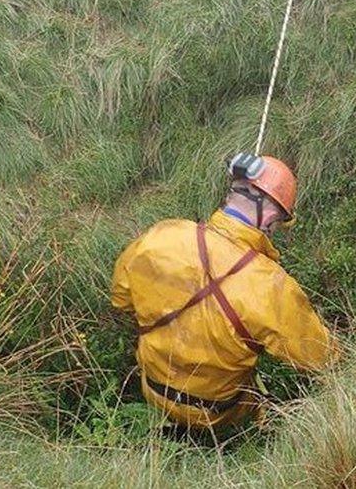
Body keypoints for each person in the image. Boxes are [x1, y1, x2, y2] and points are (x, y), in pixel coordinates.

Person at [110, 153, 338, 432]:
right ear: (268, 216)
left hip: (154, 391)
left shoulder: (160, 236)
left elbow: (121, 299)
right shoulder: (271, 285)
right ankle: (242, 438)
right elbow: (319, 358)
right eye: (278, 223)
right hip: (219, 414)